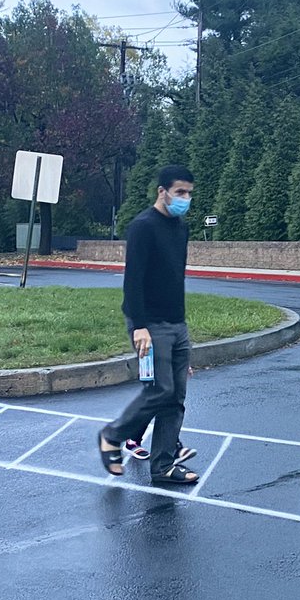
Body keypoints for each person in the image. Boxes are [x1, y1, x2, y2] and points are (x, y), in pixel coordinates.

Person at [97, 164, 200, 486]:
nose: (185, 199)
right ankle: (112, 436)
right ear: (162, 191)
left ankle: (164, 466)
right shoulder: (143, 226)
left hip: (176, 323)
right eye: (179, 192)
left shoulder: (180, 228)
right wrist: (139, 326)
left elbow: (174, 280)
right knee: (159, 390)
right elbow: (133, 281)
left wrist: (183, 332)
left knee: (176, 396)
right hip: (148, 325)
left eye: (189, 193)